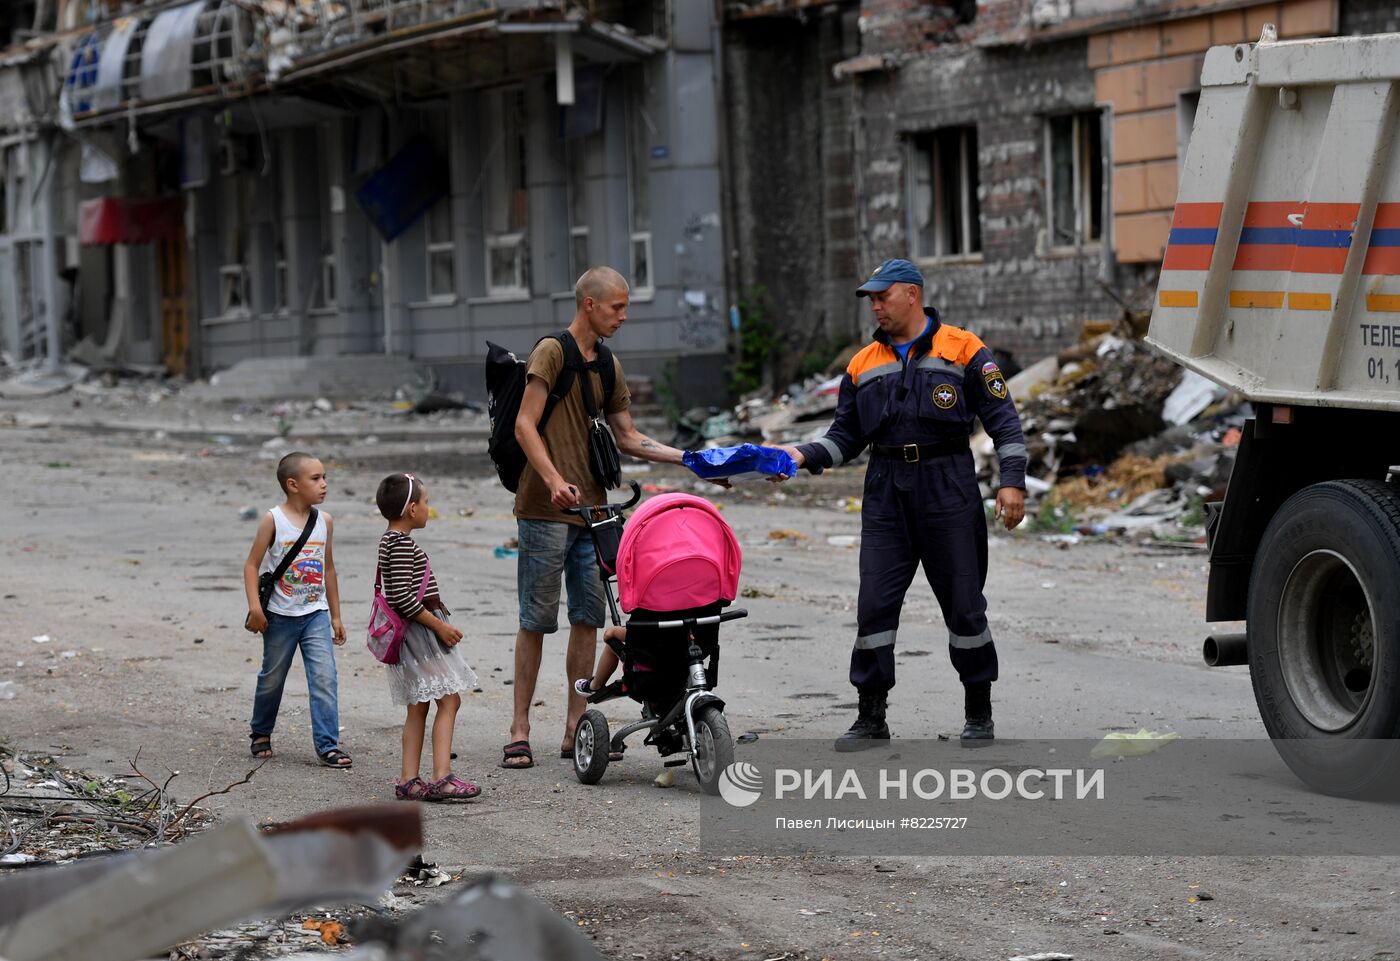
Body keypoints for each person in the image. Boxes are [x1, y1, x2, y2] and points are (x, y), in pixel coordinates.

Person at [780, 259, 1027, 750]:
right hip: (886, 490)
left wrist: (1012, 483)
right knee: (874, 605)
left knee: (963, 603)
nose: (875, 306)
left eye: (881, 296)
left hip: (948, 484)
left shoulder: (965, 349)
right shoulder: (861, 364)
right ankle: (871, 718)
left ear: (911, 294)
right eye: (870, 299)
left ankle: (979, 711)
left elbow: (1005, 422)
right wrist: (798, 455)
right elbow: (844, 438)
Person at [504, 265, 696, 769]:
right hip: (544, 510)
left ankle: (575, 725)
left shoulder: (608, 364)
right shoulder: (552, 351)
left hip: (596, 514)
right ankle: (520, 728)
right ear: (590, 304)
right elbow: (525, 425)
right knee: (535, 621)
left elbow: (629, 437)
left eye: (625, 306)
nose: (624, 316)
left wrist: (691, 460)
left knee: (587, 619)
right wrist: (551, 480)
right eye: (617, 307)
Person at [374, 472, 481, 801]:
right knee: (450, 699)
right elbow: (404, 599)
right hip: (420, 633)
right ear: (411, 510)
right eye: (426, 502)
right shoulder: (402, 545)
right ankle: (442, 776)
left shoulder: (388, 541)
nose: (428, 509)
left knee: (418, 706)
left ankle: (409, 779)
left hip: (411, 636)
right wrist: (440, 627)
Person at [242, 451, 351, 768]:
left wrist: (335, 615)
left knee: (324, 678)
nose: (324, 484)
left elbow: (328, 569)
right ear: (293, 484)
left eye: (324, 477)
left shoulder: (324, 522)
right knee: (272, 678)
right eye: (315, 479)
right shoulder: (273, 520)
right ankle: (261, 731)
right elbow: (252, 565)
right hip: (279, 616)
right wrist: (255, 608)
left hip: (315, 614)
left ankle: (328, 745)